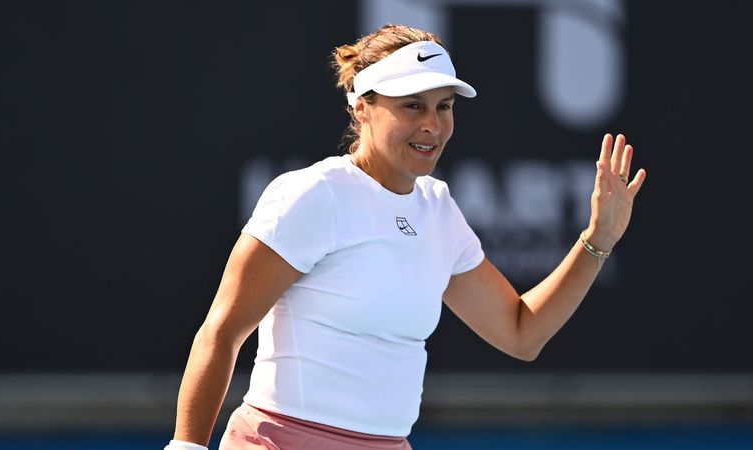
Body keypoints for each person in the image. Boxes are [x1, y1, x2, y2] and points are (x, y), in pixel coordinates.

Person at [164, 23, 646, 450]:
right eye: (412, 106)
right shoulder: (312, 195)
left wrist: (596, 239)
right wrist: (186, 447)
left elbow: (521, 333)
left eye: (444, 107)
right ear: (362, 107)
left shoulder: (438, 211)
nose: (432, 125)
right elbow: (223, 331)